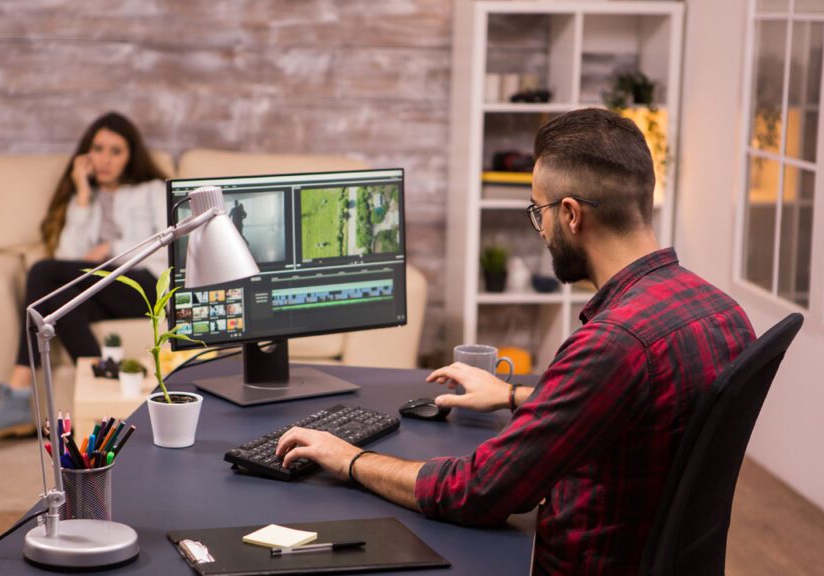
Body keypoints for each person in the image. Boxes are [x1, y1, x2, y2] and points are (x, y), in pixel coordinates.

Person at [275, 108, 755, 574]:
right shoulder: (719, 311)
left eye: (538, 211)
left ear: (569, 214)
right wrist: (512, 395)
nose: (540, 228)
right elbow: (644, 405)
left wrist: (351, 459)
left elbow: (481, 491)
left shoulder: (615, 342)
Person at [0, 111, 170, 439]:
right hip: (100, 286)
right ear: (86, 154)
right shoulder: (81, 197)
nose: (105, 159)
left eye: (116, 151)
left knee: (42, 271)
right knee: (58, 299)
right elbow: (69, 259)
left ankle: (18, 391)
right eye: (98, 149)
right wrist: (83, 195)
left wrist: (110, 248)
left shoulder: (152, 189)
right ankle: (109, 398)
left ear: (131, 156)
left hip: (143, 284)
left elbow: (168, 246)